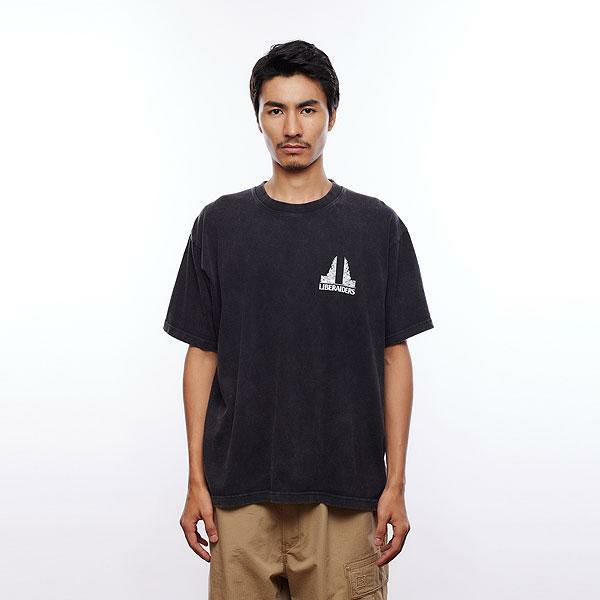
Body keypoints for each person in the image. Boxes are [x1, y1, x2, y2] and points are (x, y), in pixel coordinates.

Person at [163, 39, 434, 600]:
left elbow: (394, 357)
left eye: (307, 109)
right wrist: (195, 479)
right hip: (238, 500)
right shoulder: (219, 226)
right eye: (276, 110)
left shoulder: (376, 228)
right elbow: (201, 354)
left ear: (332, 115)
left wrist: (397, 482)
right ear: (259, 118)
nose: (292, 127)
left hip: (346, 497)